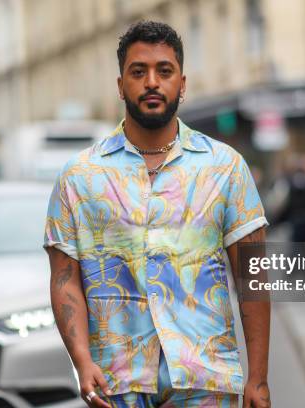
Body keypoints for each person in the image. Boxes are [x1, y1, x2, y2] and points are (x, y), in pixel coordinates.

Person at [43, 21, 270, 408]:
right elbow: (65, 279)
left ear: (182, 83)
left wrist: (259, 379)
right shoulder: (79, 177)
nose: (151, 82)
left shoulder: (224, 167)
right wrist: (82, 361)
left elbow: (253, 278)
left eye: (164, 71)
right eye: (138, 72)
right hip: (118, 382)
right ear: (120, 85)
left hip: (205, 378)